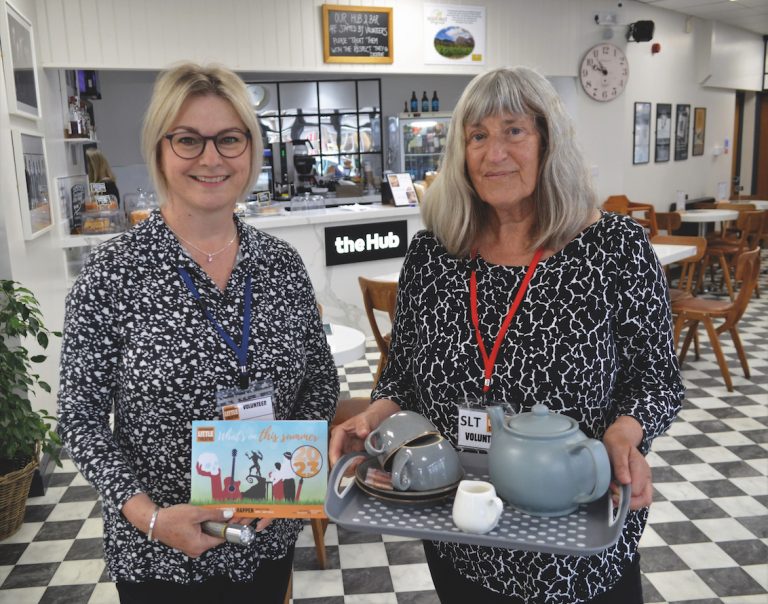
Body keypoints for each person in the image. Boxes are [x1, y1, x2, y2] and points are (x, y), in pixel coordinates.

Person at [329, 66, 683, 603]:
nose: (494, 153)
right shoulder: (434, 255)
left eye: (513, 130)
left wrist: (626, 433)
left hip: (576, 538)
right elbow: (400, 376)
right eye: (478, 136)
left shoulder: (614, 248)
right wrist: (374, 416)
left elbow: (657, 380)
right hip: (461, 531)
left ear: (548, 142)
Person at [58, 62, 339, 603]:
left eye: (229, 139)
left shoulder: (281, 264)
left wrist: (294, 470)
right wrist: (151, 516)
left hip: (265, 537)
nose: (211, 158)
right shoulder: (115, 273)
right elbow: (81, 415)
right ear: (161, 150)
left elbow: (320, 380)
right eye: (188, 140)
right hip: (159, 553)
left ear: (250, 149)